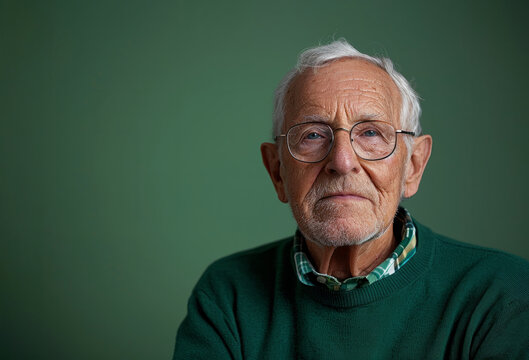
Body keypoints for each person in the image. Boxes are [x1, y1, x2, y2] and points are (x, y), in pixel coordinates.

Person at [173, 39, 529, 359]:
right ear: (277, 171)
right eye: (313, 134)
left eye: (371, 132)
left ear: (413, 166)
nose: (342, 162)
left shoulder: (503, 294)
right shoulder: (228, 294)